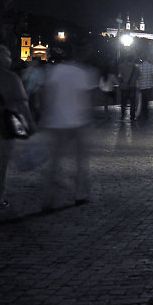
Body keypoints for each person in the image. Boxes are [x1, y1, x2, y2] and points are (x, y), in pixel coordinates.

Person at [42, 44, 98, 211]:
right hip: (78, 121)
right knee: (81, 160)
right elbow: (87, 98)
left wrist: (45, 114)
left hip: (56, 120)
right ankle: (80, 194)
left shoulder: (55, 70)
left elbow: (46, 94)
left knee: (55, 161)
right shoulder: (85, 73)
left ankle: (49, 197)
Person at [0, 44, 35, 209]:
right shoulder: (11, 78)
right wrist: (30, 124)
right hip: (4, 124)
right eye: (8, 56)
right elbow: (22, 103)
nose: (11, 60)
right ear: (0, 59)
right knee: (1, 162)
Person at [20, 56, 45, 123]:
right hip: (26, 94)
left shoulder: (39, 71)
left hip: (33, 94)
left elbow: (40, 84)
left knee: (34, 109)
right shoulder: (26, 71)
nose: (29, 63)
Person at [135, 55, 153, 120]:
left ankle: (142, 113)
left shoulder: (139, 66)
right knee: (147, 101)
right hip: (149, 86)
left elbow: (137, 77)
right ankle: (146, 114)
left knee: (142, 101)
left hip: (141, 86)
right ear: (148, 58)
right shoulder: (152, 66)